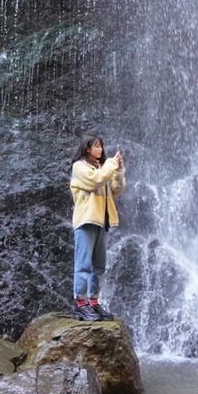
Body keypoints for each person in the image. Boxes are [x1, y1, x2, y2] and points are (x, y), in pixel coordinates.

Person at [70, 134, 126, 321]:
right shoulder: (79, 167)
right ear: (87, 148)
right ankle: (80, 303)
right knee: (83, 264)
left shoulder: (103, 168)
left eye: (101, 146)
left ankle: (93, 302)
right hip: (86, 221)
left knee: (99, 266)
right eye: (96, 146)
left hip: (103, 221)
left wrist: (118, 171)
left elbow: (116, 190)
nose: (100, 149)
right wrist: (111, 165)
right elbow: (95, 181)